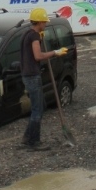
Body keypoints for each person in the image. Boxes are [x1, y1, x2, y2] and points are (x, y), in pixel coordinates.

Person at [19, 8, 68, 151]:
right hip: (32, 75)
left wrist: (39, 38)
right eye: (44, 22)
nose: (45, 24)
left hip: (27, 75)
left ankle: (27, 137)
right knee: (37, 109)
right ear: (39, 22)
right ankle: (34, 142)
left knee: (42, 105)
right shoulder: (33, 36)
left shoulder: (26, 34)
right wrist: (55, 52)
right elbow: (38, 56)